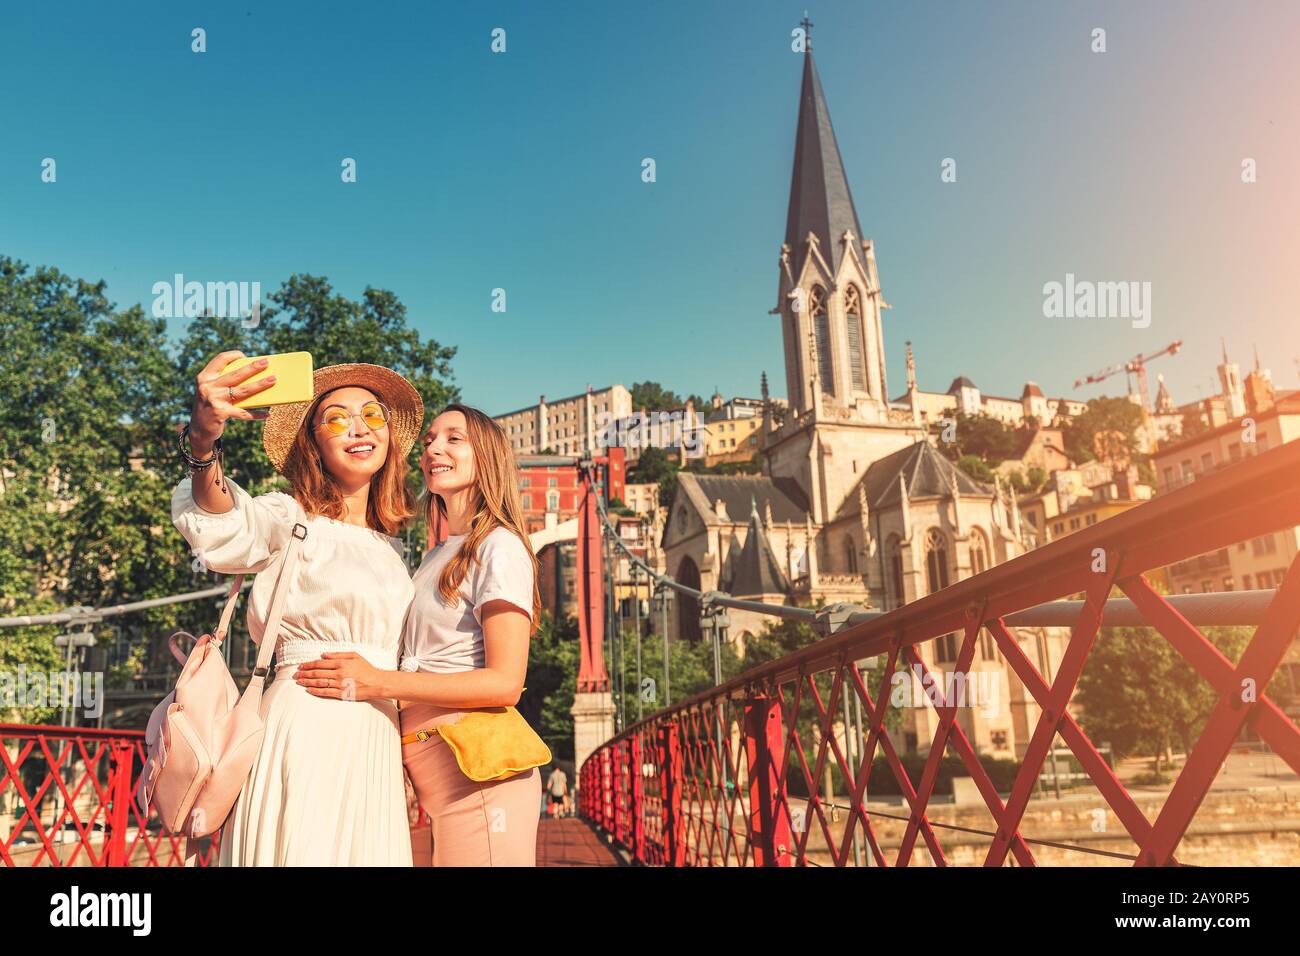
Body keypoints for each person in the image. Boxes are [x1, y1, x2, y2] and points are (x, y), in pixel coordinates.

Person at [171, 351, 423, 865]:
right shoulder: (289, 515)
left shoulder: (392, 548)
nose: (360, 427)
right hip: (308, 722)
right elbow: (226, 523)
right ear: (313, 443)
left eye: (373, 414)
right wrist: (204, 439)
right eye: (337, 418)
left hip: (375, 736)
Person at [296, 403, 544, 865]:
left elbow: (505, 683)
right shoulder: (436, 557)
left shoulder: (501, 547)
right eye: (430, 439)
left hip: (482, 782)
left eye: (454, 438)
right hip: (441, 780)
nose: (434, 448)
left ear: (487, 456)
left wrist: (378, 682)